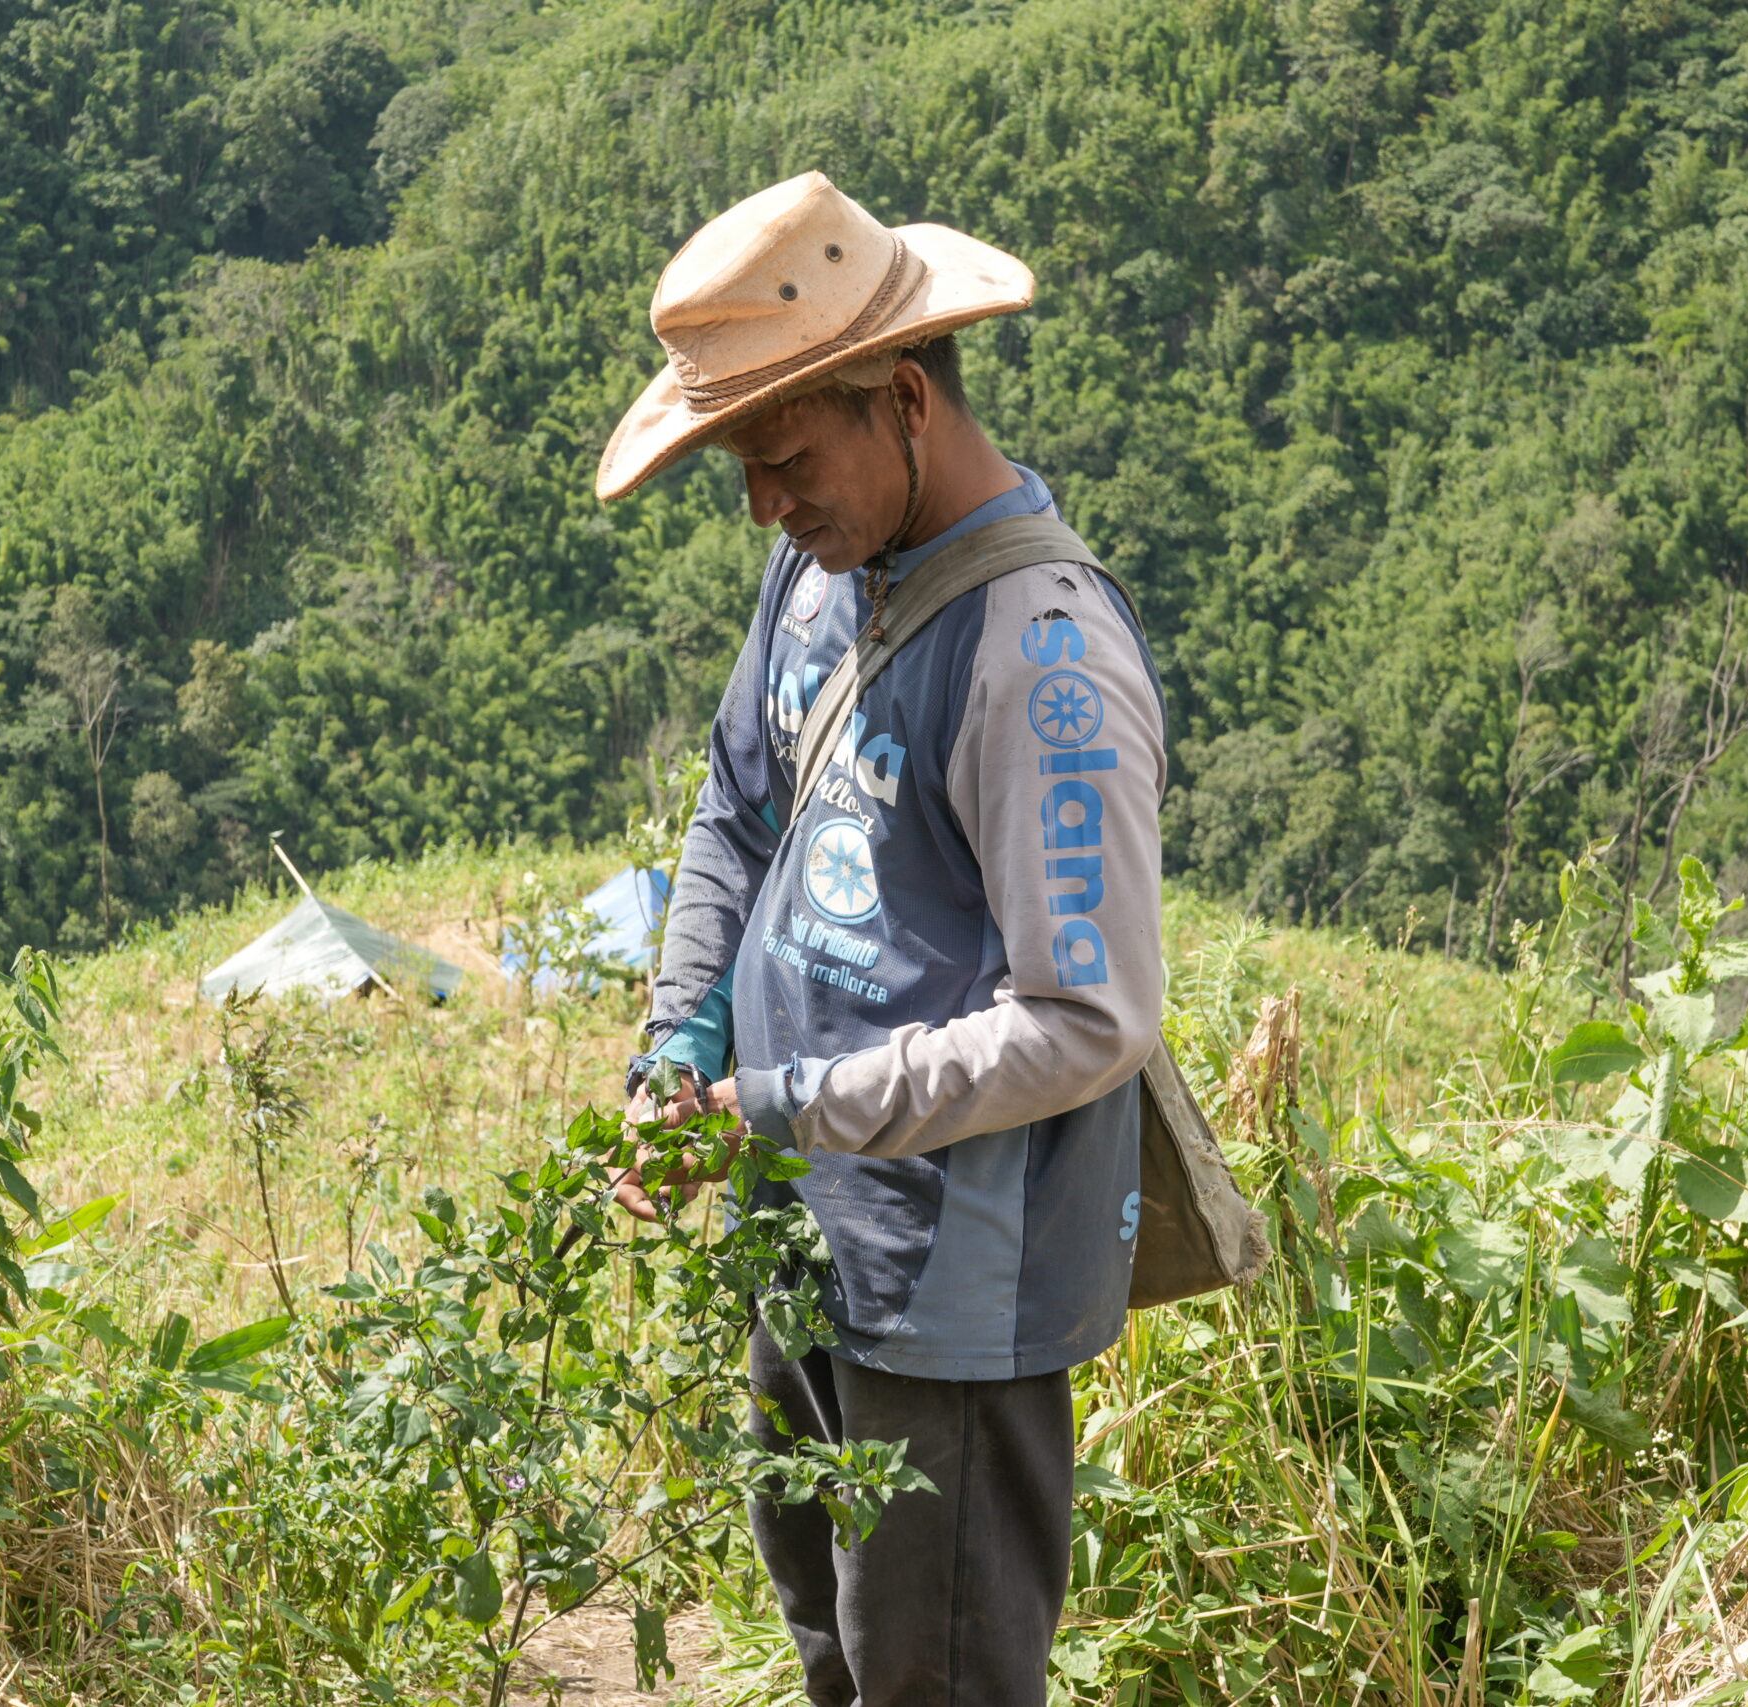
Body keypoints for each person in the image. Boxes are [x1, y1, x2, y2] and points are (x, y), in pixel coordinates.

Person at [592, 172, 1168, 1706]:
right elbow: (738, 804)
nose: (764, 508)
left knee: (940, 1677)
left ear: (902, 397)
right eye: (740, 470)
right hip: (803, 1232)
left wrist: (782, 1107)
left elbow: (1085, 1020)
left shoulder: (1040, 660)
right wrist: (683, 1032)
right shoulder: (822, 564)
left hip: (950, 1290)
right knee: (832, 1647)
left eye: (782, 460)